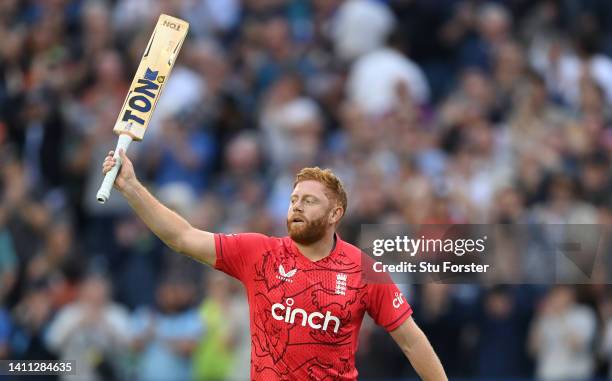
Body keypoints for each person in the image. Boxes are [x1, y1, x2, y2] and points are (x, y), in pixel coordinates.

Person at [101, 148, 447, 380]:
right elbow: (183, 237)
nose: (296, 206)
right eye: (293, 199)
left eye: (309, 201)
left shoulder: (363, 270)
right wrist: (132, 187)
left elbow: (411, 341)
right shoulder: (259, 253)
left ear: (335, 214)